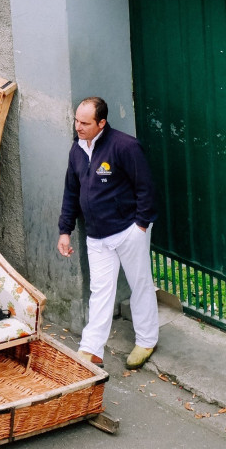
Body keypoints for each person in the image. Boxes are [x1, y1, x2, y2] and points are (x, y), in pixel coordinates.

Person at [58, 97, 159, 370]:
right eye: (76, 120)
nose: (78, 127)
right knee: (100, 291)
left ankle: (146, 340)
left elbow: (146, 187)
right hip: (96, 236)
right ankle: (91, 350)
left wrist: (140, 225)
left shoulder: (125, 146)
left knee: (140, 284)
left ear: (101, 123)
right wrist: (65, 230)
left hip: (128, 230)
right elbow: (71, 192)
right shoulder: (77, 149)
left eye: (84, 123)